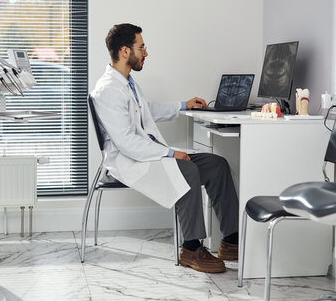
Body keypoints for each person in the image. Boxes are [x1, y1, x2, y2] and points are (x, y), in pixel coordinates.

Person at [91, 23, 239, 273]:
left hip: (148, 152)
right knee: (187, 169)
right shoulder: (108, 90)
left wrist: (184, 105)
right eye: (142, 47)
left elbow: (147, 111)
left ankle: (231, 241)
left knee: (216, 165)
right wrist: (170, 153)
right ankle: (191, 248)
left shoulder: (127, 82)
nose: (146, 53)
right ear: (125, 51)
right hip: (129, 161)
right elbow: (127, 142)